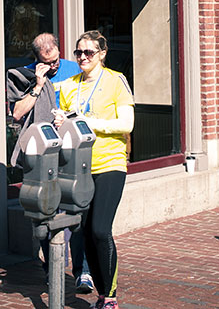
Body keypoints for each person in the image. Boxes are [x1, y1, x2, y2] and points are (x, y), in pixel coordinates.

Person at [54, 30, 134, 309]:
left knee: (101, 230)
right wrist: (60, 121)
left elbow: (127, 124)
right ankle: (101, 293)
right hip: (79, 167)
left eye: (89, 52)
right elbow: (63, 125)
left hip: (110, 163)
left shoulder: (115, 81)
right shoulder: (67, 85)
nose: (83, 57)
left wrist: (89, 122)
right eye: (78, 52)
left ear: (102, 54)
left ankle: (110, 295)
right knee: (84, 231)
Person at [8, 33, 92, 293]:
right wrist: (38, 83)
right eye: (48, 62)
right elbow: (17, 113)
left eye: (56, 59)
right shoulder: (24, 75)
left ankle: (83, 271)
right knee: (44, 211)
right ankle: (52, 268)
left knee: (76, 208)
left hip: (71, 149)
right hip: (43, 153)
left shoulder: (73, 69)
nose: (54, 65)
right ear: (37, 59)